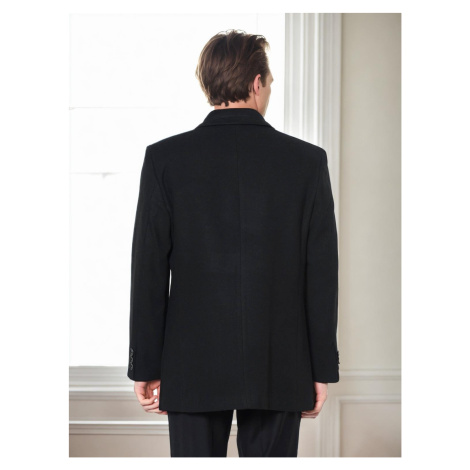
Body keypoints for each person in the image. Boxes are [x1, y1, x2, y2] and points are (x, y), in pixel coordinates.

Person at [127, 29, 340, 457]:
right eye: (270, 82)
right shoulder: (307, 162)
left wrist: (145, 364)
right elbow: (320, 275)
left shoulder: (165, 159)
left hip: (191, 364)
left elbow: (148, 268)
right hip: (280, 363)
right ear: (257, 82)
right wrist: (320, 368)